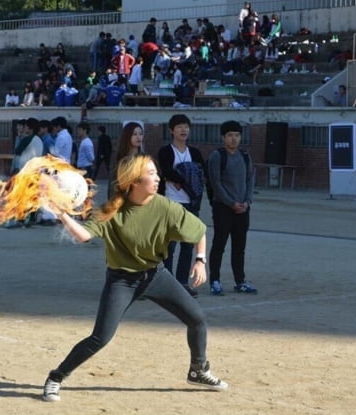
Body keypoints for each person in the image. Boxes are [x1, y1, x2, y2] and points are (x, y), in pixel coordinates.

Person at [41, 153, 228, 402]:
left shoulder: (166, 207)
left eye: (156, 172)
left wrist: (200, 260)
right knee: (101, 338)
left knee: (197, 320)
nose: (157, 177)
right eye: (150, 173)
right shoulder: (113, 210)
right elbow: (84, 235)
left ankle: (199, 370)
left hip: (156, 276)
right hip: (122, 280)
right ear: (133, 182)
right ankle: (56, 377)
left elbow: (199, 230)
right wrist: (61, 213)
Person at [158, 114, 205, 298]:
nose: (183, 130)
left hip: (190, 203)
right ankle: (166, 283)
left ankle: (182, 283)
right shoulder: (166, 151)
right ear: (171, 130)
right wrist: (184, 177)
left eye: (186, 127)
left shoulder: (194, 151)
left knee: (188, 244)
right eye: (179, 127)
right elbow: (166, 170)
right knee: (169, 245)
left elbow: (200, 170)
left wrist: (180, 177)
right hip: (171, 202)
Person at [207, 121, 256, 296]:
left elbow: (250, 179)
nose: (234, 139)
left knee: (239, 246)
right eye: (230, 135)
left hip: (243, 208)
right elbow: (216, 183)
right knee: (219, 244)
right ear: (223, 137)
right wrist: (231, 202)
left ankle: (240, 281)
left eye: (237, 135)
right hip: (223, 207)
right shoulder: (217, 156)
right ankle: (214, 281)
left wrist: (247, 201)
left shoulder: (245, 155)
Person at [107, 121, 144, 198]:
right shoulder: (119, 157)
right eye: (134, 134)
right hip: (123, 198)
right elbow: (113, 183)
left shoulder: (144, 157)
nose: (138, 137)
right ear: (127, 136)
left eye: (140, 134)